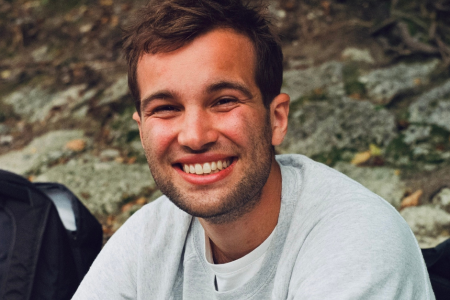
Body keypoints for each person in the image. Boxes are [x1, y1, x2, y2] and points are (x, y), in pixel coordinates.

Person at [73, 0, 435, 299]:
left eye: (224, 100)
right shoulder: (148, 239)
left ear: (276, 119)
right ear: (141, 131)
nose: (194, 137)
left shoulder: (357, 243)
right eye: (166, 108)